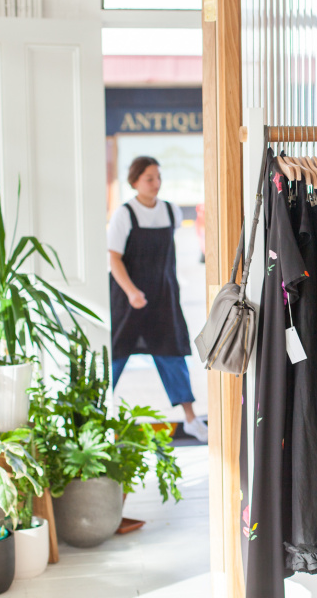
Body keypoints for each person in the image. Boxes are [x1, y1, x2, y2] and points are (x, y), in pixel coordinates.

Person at [108, 155, 208, 443]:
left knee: (172, 354)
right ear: (135, 181)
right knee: (115, 356)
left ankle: (191, 420)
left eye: (159, 177)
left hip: (163, 296)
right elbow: (114, 259)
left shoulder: (170, 211)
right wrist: (132, 292)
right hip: (128, 299)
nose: (156, 183)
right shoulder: (124, 214)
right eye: (149, 178)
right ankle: (93, 418)